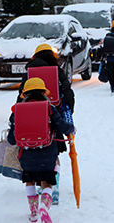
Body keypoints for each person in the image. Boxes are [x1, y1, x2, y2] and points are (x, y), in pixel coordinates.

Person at [8, 78, 75, 223]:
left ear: (24, 94)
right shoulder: (49, 108)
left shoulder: (17, 110)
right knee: (47, 182)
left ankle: (33, 212)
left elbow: (11, 139)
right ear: (44, 92)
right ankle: (44, 207)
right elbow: (62, 126)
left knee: (30, 181)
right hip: (47, 153)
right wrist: (72, 129)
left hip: (25, 154)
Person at [17, 43, 75, 205]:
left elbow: (21, 96)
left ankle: (37, 189)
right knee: (53, 152)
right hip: (52, 119)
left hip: (30, 122)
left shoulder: (29, 73)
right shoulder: (57, 71)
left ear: (35, 56)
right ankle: (52, 189)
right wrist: (67, 114)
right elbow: (68, 93)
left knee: (32, 150)